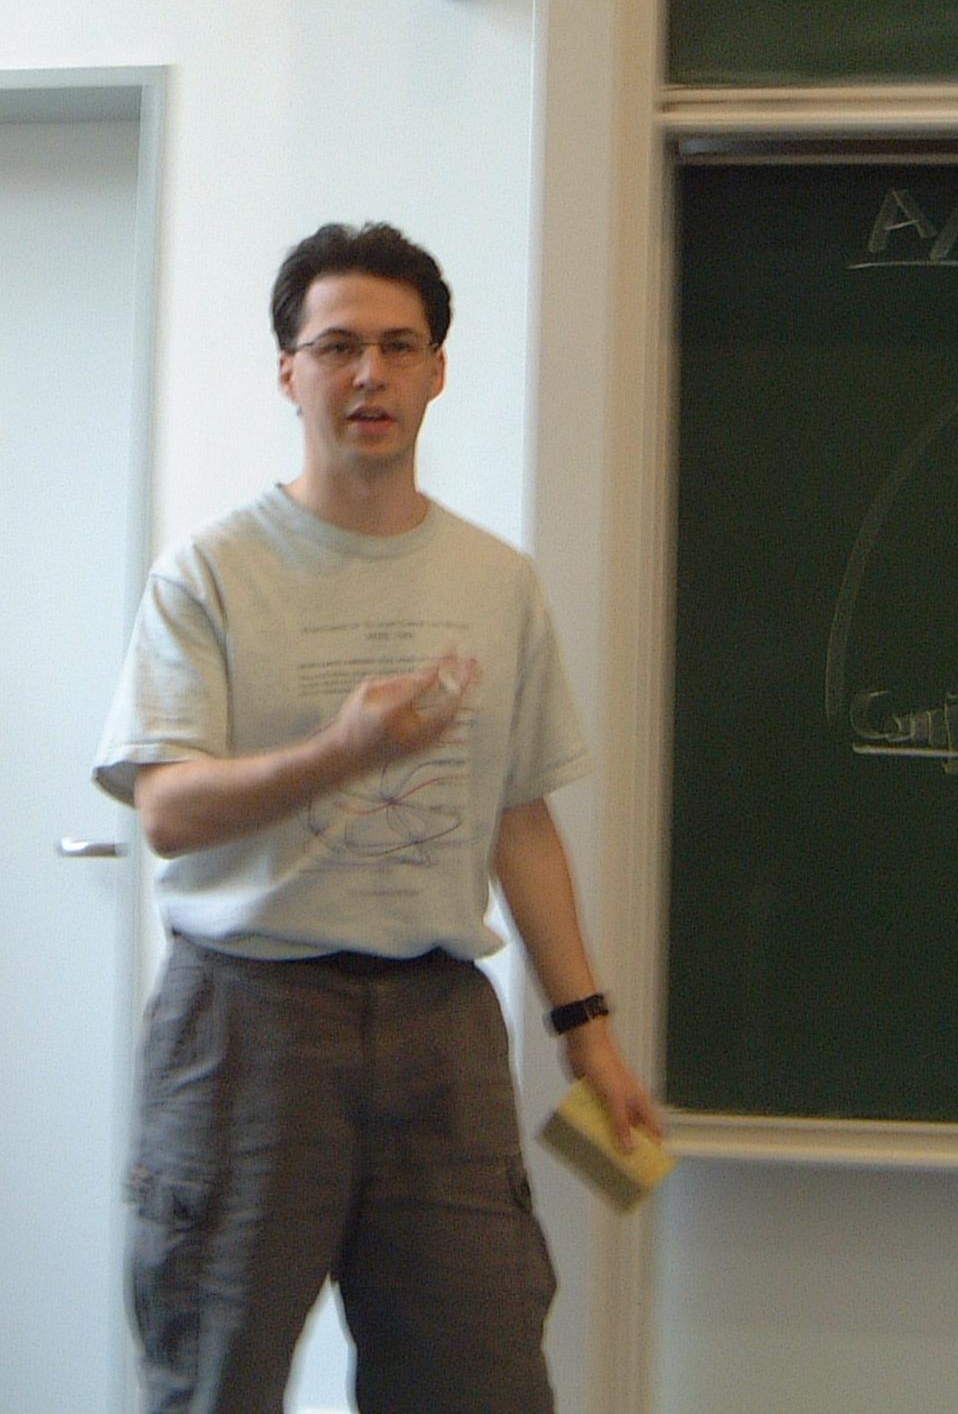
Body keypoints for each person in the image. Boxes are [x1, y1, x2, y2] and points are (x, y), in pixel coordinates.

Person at [93, 221, 659, 1414]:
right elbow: (169, 810)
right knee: (217, 1378)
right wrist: (341, 752)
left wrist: (587, 1032)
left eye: (400, 347)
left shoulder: (497, 582)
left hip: (440, 1025)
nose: (370, 374)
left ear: (437, 371)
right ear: (288, 371)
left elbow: (519, 818)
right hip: (249, 1024)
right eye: (338, 346)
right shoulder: (210, 572)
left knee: (481, 1380)